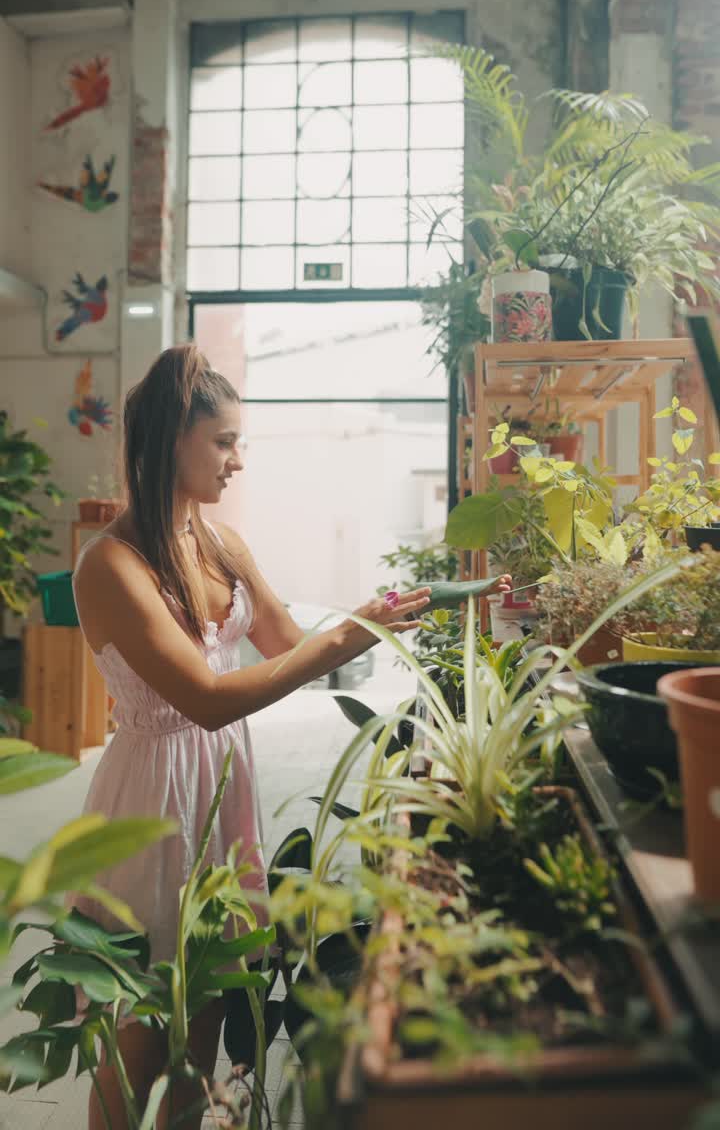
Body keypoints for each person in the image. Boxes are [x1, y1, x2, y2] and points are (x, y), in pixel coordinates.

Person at [71, 344, 510, 1129]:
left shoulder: (219, 545)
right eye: (225, 441)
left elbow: (281, 642)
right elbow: (206, 699)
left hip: (220, 793)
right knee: (136, 1047)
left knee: (200, 1038)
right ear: (171, 437)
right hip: (148, 805)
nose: (239, 460)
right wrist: (340, 644)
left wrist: (384, 613)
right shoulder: (109, 565)